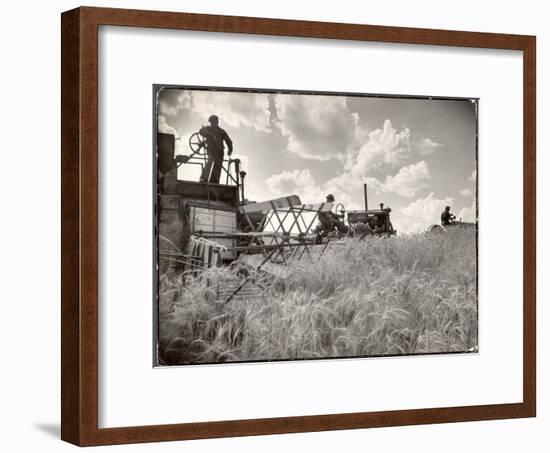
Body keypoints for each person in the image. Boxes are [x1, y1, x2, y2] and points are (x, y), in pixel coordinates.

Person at [198, 115, 233, 184]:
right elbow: (201, 131)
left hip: (219, 152)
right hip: (211, 150)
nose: (212, 123)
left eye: (213, 122)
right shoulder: (208, 128)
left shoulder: (222, 131)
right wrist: (210, 134)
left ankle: (214, 182)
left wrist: (230, 150)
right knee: (210, 162)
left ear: (217, 122)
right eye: (211, 122)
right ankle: (203, 179)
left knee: (218, 166)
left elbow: (229, 141)